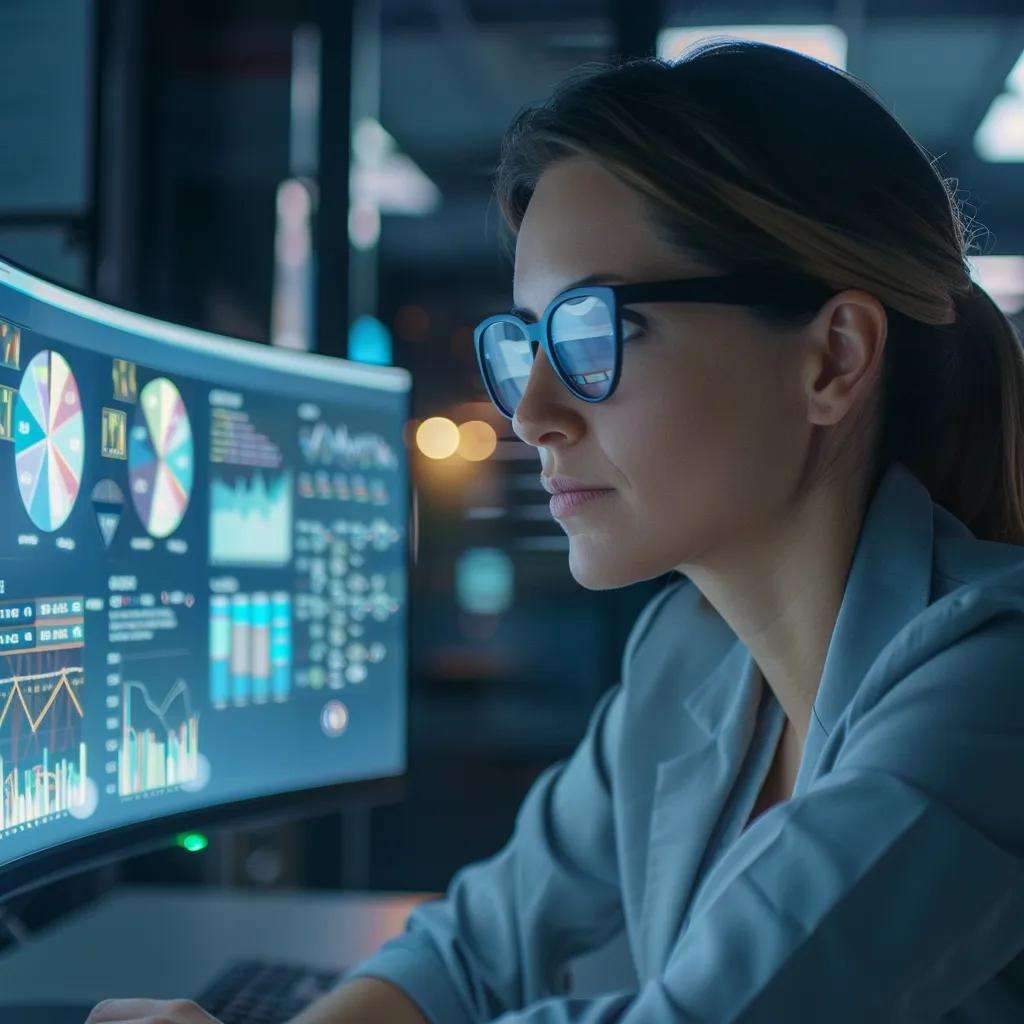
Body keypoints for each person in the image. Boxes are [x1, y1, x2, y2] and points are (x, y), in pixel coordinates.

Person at [87, 38, 1024, 1024]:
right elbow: (474, 943)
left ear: (832, 359)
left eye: (590, 335)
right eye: (528, 342)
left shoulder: (992, 685)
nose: (530, 411)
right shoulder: (691, 657)